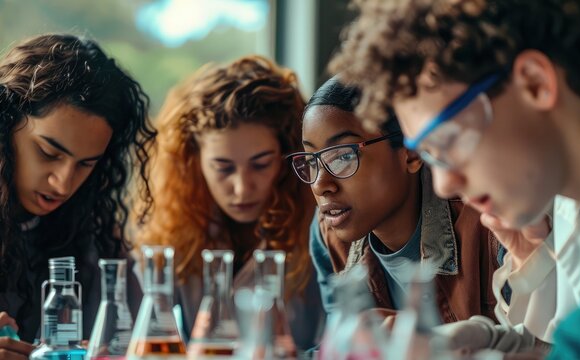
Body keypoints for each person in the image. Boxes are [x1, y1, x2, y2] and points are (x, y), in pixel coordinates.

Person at [328, 0, 580, 358]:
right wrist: (490, 345)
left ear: (535, 83)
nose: (444, 184)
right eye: (429, 153)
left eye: (447, 140)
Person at [132, 56, 324, 350]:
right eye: (223, 168)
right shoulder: (169, 235)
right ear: (193, 163)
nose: (242, 188)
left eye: (261, 164)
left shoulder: (322, 232)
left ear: (287, 159)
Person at [290, 76, 500, 325]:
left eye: (343, 156)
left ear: (411, 152)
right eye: (312, 161)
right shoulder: (329, 235)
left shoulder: (490, 221)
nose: (320, 185)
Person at [0, 33, 155, 358]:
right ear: (6, 125)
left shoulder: (94, 237)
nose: (63, 184)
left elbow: (140, 345)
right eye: (48, 152)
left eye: (86, 164)